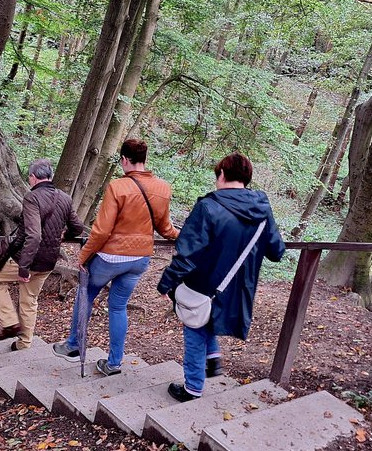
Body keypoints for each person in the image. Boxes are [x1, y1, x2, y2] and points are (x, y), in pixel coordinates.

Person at [156, 152, 285, 401]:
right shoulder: (262, 209)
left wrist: (166, 283)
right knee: (207, 316)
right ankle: (213, 360)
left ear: (222, 175)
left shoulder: (208, 206)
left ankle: (192, 388)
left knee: (194, 327)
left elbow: (187, 253)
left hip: (204, 281)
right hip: (238, 287)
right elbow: (277, 251)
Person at [53, 138, 179, 376]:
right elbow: (165, 228)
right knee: (118, 306)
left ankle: (73, 345)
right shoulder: (163, 188)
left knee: (86, 294)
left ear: (124, 160)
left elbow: (101, 230)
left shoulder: (118, 187)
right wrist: (182, 235)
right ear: (144, 160)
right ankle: (114, 363)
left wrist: (84, 254)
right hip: (140, 259)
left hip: (111, 257)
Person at [0, 159, 87, 351]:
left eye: (29, 178)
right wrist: (65, 235)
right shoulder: (64, 198)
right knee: (29, 300)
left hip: (27, 260)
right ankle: (23, 343)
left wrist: (24, 266)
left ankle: (10, 323)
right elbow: (78, 227)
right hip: (49, 261)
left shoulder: (32, 198)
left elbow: (34, 235)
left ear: (33, 177)